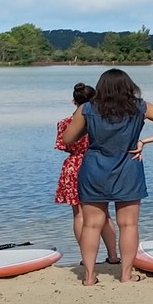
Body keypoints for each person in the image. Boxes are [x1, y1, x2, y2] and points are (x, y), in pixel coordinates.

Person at [58, 68, 153, 284]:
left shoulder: (87, 109)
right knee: (128, 224)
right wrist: (144, 141)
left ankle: (89, 277)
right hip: (128, 166)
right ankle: (126, 275)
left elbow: (68, 138)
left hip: (94, 169)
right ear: (129, 86)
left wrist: (88, 129)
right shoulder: (141, 107)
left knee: (91, 224)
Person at [56, 82, 119, 266]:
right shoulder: (101, 120)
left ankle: (87, 258)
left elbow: (63, 146)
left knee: (79, 214)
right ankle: (113, 255)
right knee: (104, 213)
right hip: (96, 163)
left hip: (73, 164)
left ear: (73, 101)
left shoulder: (64, 123)